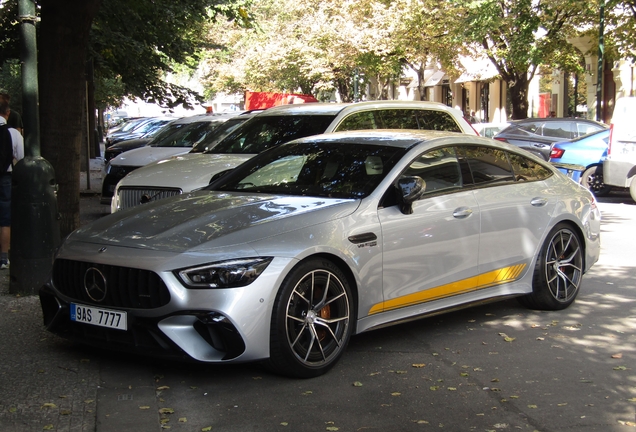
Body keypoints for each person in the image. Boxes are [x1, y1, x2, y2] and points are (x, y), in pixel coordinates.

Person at [0, 93, 25, 269]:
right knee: (5, 218)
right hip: (5, 177)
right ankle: (3, 257)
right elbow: (22, 160)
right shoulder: (12, 134)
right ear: (7, 113)